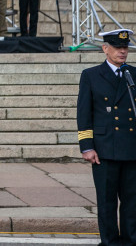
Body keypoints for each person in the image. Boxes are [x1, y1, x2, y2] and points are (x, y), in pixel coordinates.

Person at [77, 29, 136, 246]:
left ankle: (131, 241)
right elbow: (84, 114)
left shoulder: (133, 74)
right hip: (105, 149)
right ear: (105, 49)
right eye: (118, 47)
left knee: (132, 202)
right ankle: (110, 242)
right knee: (107, 202)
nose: (123, 52)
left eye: (125, 47)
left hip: (131, 148)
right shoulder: (91, 75)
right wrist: (87, 146)